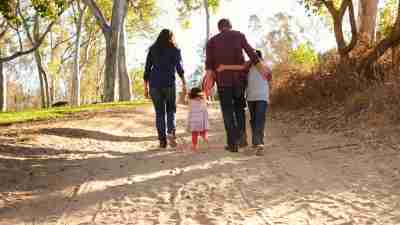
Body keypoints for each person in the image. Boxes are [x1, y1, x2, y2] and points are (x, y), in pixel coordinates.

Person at [204, 18, 271, 152]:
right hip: (238, 81)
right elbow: (251, 53)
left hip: (223, 82)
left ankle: (232, 144)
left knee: (228, 113)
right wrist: (260, 67)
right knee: (239, 110)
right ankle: (242, 139)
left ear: (219, 28)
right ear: (230, 26)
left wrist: (208, 81)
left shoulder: (212, 41)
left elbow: (209, 64)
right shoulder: (239, 35)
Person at [217, 50, 271, 155]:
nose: (252, 58)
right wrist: (224, 67)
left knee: (259, 119)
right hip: (251, 98)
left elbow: (269, 78)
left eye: (254, 57)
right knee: (254, 120)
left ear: (259, 57)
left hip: (262, 98)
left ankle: (259, 143)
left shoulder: (265, 66)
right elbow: (239, 69)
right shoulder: (248, 67)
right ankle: (256, 142)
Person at [144, 29, 187, 149]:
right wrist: (184, 84)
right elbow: (179, 68)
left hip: (154, 84)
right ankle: (171, 133)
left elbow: (147, 69)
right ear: (171, 37)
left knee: (159, 113)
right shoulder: (175, 50)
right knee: (170, 110)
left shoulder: (153, 49)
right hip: (169, 84)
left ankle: (162, 141)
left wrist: (145, 88)